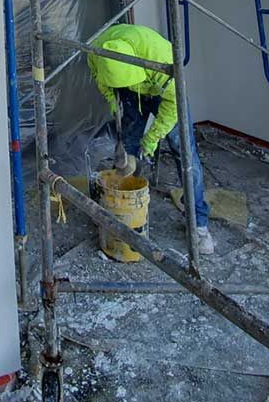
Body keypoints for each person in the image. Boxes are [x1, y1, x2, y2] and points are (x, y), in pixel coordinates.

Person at [87, 23, 214, 255]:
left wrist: (152, 139)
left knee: (184, 151)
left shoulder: (163, 60)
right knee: (128, 145)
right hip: (131, 90)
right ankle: (128, 203)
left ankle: (198, 223)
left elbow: (172, 107)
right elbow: (102, 82)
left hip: (161, 91)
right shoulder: (97, 51)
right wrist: (115, 103)